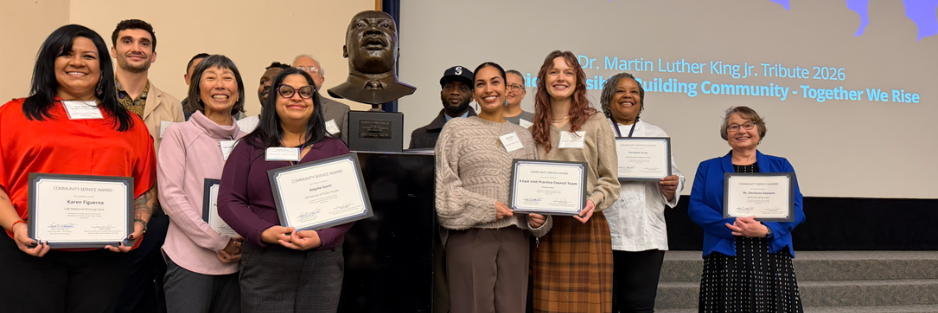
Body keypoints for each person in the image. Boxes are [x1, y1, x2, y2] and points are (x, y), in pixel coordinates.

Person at [0, 24, 156, 313]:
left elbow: (144, 187)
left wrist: (138, 225)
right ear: (50, 61)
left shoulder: (131, 125)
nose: (77, 63)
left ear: (102, 66)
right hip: (27, 252)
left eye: (89, 56)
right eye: (66, 54)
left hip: (105, 260)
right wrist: (16, 226)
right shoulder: (13, 115)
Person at [217, 68, 353, 313]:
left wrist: (323, 237)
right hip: (265, 261)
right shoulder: (248, 147)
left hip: (322, 263)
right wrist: (264, 232)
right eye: (287, 91)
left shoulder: (336, 148)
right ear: (274, 99)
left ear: (314, 100)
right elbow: (229, 201)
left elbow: (351, 207)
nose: (296, 97)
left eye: (305, 92)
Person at [435, 62, 550, 313]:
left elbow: (536, 191)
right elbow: (445, 193)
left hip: (516, 238)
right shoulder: (455, 130)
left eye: (495, 82)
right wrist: (488, 207)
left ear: (507, 89)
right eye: (481, 84)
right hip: (470, 237)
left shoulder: (523, 136)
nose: (489, 89)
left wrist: (540, 219)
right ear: (474, 94)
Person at [688, 106, 805, 313]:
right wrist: (734, 226)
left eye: (748, 125)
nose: (741, 131)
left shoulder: (781, 165)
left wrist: (768, 230)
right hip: (725, 254)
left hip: (771, 253)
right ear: (726, 134)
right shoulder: (708, 167)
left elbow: (796, 208)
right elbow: (696, 207)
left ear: (759, 131)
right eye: (734, 126)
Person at [529, 50, 620, 313]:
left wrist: (593, 201)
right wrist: (532, 215)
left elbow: (610, 180)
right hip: (548, 230)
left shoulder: (595, 122)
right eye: (554, 71)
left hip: (586, 226)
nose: (561, 78)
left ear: (577, 81)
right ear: (544, 79)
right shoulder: (533, 129)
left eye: (568, 72)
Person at [158, 55, 247, 313]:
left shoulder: (250, 141)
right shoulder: (179, 133)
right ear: (197, 89)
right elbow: (171, 197)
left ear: (238, 91)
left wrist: (241, 241)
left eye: (228, 78)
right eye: (210, 78)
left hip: (238, 261)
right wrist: (218, 241)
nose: (220, 85)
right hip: (190, 261)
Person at [110, 19, 183, 313]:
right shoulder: (94, 99)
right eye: (127, 41)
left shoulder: (172, 105)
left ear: (153, 55)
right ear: (114, 50)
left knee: (148, 294)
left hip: (156, 214)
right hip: (105, 212)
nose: (136, 48)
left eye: (144, 43)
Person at [599, 73, 684, 313]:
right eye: (620, 91)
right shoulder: (596, 130)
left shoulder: (655, 133)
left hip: (646, 234)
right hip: (606, 229)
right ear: (608, 98)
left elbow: (675, 174)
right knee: (604, 305)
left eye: (634, 92)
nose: (628, 96)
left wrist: (672, 186)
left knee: (640, 306)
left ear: (640, 99)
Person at [409, 66, 477, 149]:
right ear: (441, 94)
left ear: (472, 96)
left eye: (463, 88)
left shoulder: (489, 133)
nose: (455, 92)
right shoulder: (419, 137)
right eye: (449, 87)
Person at [293, 54, 350, 143]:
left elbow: (347, 152)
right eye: (300, 69)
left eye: (312, 70)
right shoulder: (278, 106)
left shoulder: (341, 111)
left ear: (321, 80)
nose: (306, 73)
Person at [238, 61, 289, 133]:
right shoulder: (240, 128)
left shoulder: (300, 127)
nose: (267, 84)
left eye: (275, 81)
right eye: (263, 82)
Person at [182, 53, 210, 120]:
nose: (202, 75)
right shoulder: (176, 111)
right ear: (187, 79)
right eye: (197, 69)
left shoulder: (234, 112)